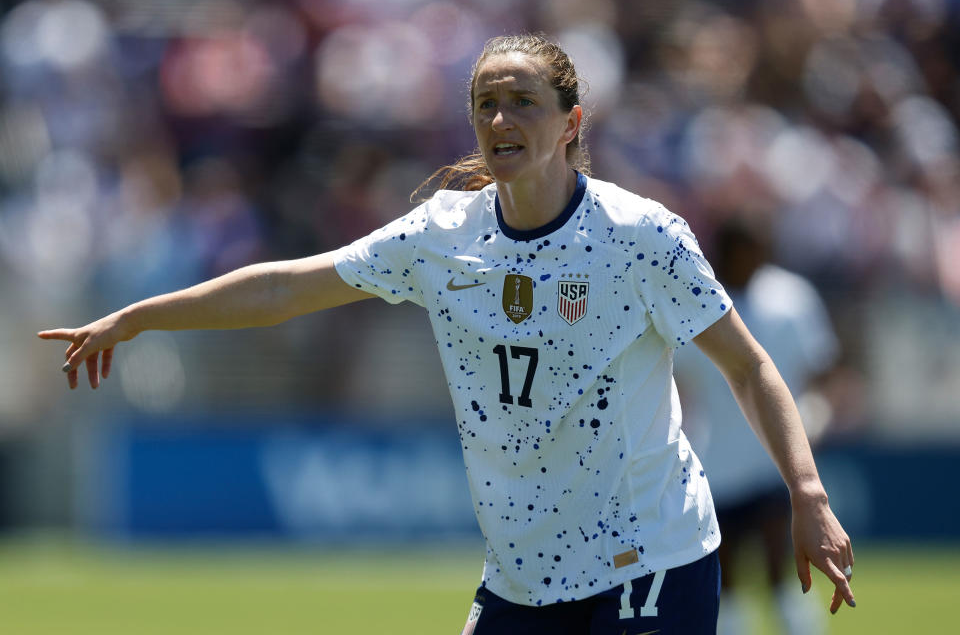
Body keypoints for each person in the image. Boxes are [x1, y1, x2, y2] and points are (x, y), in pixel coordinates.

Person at [38, 33, 854, 635]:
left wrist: (807, 496)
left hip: (646, 567)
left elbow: (749, 368)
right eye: (485, 104)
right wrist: (142, 316)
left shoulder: (642, 237)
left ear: (571, 122)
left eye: (522, 101)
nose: (500, 117)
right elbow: (288, 287)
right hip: (521, 580)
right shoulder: (440, 237)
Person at [675, 218, 839, 635]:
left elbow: (820, 372)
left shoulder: (791, 299)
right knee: (724, 579)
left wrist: (814, 419)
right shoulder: (700, 300)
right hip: (718, 466)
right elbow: (680, 387)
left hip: (775, 466)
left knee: (782, 572)